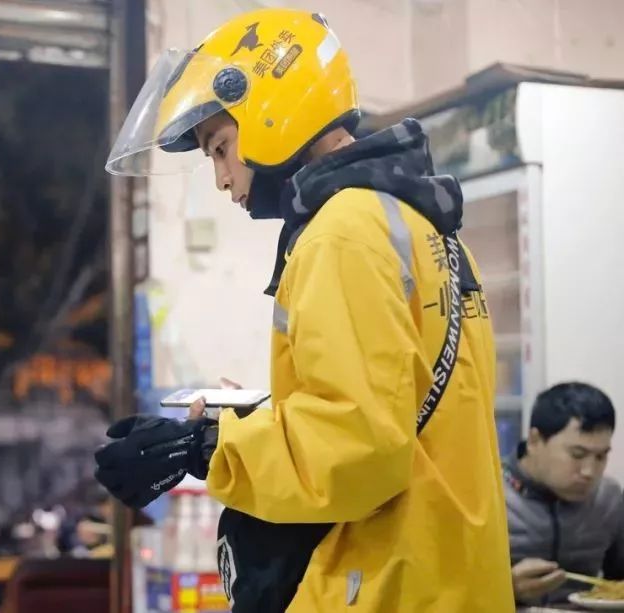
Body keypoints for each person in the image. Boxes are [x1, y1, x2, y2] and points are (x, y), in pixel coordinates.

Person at [94, 8, 513, 612]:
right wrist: (260, 414)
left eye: (219, 148)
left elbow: (357, 449)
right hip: (450, 576)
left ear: (268, 111)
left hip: (388, 585)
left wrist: (206, 446)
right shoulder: (422, 224)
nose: (220, 178)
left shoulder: (340, 235)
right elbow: (394, 409)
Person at [505, 382, 624, 606]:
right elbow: (445, 591)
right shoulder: (489, 497)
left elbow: (618, 580)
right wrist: (504, 588)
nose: (589, 472)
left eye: (600, 457)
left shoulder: (609, 498)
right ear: (534, 441)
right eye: (577, 454)